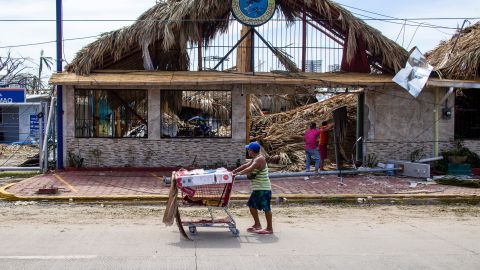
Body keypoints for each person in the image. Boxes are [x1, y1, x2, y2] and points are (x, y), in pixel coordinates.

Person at [232, 141, 273, 235]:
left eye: (248, 150)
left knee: (266, 208)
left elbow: (250, 169)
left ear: (251, 151)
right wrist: (234, 171)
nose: (247, 151)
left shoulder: (260, 159)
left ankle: (269, 228)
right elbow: (246, 166)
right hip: (258, 188)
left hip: (263, 188)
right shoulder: (256, 157)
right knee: (251, 205)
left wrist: (238, 174)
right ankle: (257, 224)